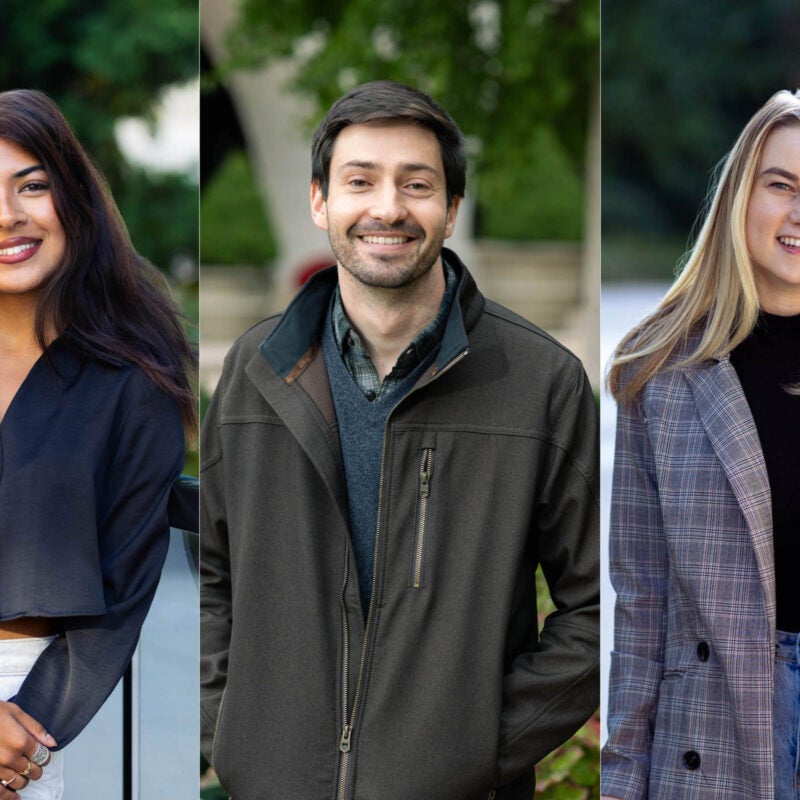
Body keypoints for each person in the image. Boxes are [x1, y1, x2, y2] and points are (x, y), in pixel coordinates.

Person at [200, 80, 599, 799]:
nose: (387, 207)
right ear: (320, 200)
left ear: (450, 208)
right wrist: (231, 733)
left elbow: (602, 606)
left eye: (416, 184)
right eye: (360, 181)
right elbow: (210, 574)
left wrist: (475, 749)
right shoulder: (254, 371)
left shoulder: (543, 383)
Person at [601, 89, 800, 800]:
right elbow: (641, 603)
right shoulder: (659, 372)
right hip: (714, 736)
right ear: (741, 196)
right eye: (783, 185)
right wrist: (621, 782)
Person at [0, 89, 196, 799]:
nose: (8, 216)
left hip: (29, 707)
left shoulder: (131, 381)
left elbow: (120, 591)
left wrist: (24, 733)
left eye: (33, 186)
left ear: (74, 200)